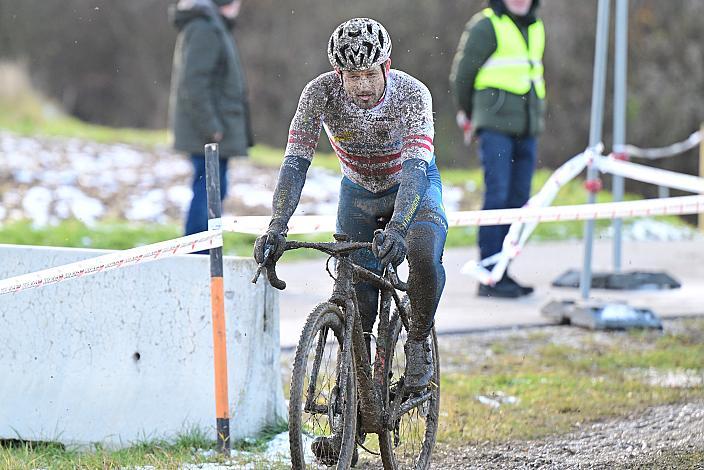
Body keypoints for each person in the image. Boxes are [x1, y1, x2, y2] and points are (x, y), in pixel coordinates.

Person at [253, 17, 447, 452]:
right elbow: (296, 162)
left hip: (413, 184)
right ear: (337, 73)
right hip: (357, 191)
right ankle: (350, 424)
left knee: (421, 249)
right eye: (350, 76)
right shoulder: (319, 93)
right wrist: (276, 227)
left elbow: (417, 168)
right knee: (356, 305)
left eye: (368, 74)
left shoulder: (413, 95)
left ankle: (417, 339)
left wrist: (398, 227)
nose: (360, 85)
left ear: (387, 66)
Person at [450, 0, 545, 298]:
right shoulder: (485, 25)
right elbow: (462, 76)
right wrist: (472, 115)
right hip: (495, 127)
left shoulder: (536, 26)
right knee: (498, 196)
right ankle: (489, 275)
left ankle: (503, 271)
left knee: (519, 199)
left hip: (527, 127)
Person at [168, 0, 253, 241]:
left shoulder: (212, 25)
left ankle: (202, 251)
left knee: (213, 191)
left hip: (215, 129)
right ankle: (198, 252)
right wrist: (211, 127)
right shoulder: (206, 29)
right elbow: (194, 84)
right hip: (209, 132)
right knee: (208, 192)